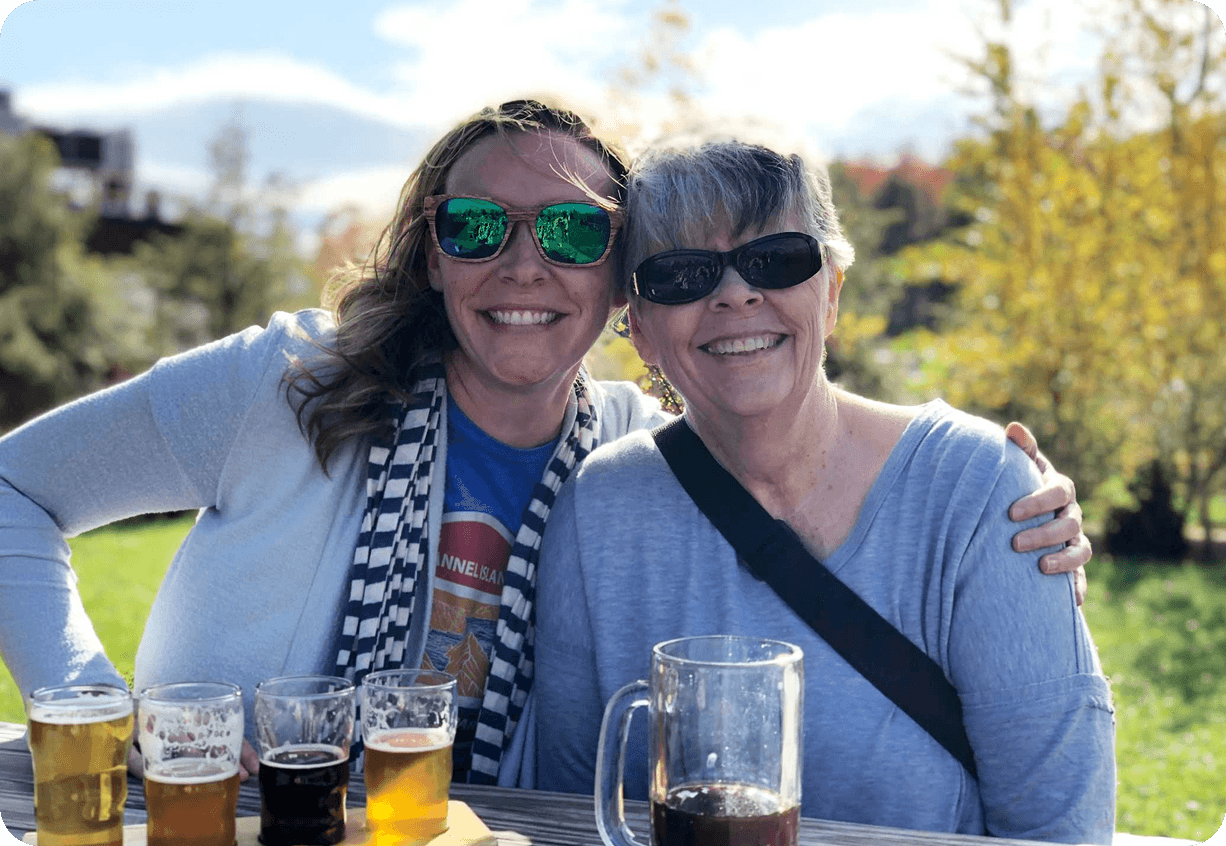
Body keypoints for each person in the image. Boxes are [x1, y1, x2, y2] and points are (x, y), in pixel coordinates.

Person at [0, 100, 1088, 790]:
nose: (522, 266)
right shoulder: (281, 386)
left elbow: (784, 465)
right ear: (432, 251)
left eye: (570, 231)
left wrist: (1022, 519)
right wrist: (95, 706)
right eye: (478, 227)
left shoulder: (633, 460)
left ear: (617, 284)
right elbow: (13, 486)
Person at [533, 137, 1115, 842]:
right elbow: (566, 815)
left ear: (832, 293)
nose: (736, 294)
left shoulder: (982, 493)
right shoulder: (598, 514)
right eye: (683, 274)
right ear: (643, 330)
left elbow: (1059, 826)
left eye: (776, 259)